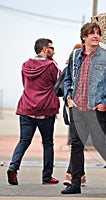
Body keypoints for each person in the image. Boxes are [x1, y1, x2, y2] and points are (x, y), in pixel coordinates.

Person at [61, 22, 106, 194]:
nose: (96, 36)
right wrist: (68, 98)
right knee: (76, 145)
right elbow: (67, 79)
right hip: (77, 107)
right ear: (84, 37)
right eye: (92, 33)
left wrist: (105, 103)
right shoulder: (75, 55)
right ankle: (75, 184)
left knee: (99, 144)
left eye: (98, 33)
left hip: (96, 108)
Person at [7, 38, 60, 185]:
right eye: (51, 48)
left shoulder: (25, 65)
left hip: (26, 107)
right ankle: (47, 176)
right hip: (46, 110)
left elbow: (26, 84)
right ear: (44, 49)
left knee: (24, 141)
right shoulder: (51, 66)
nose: (54, 50)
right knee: (48, 143)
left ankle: (13, 167)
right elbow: (58, 83)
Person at [62, 43, 87, 187]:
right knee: (77, 143)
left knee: (78, 143)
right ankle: (73, 174)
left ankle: (79, 174)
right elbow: (67, 82)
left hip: (90, 108)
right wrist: (68, 99)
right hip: (74, 106)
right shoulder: (72, 68)